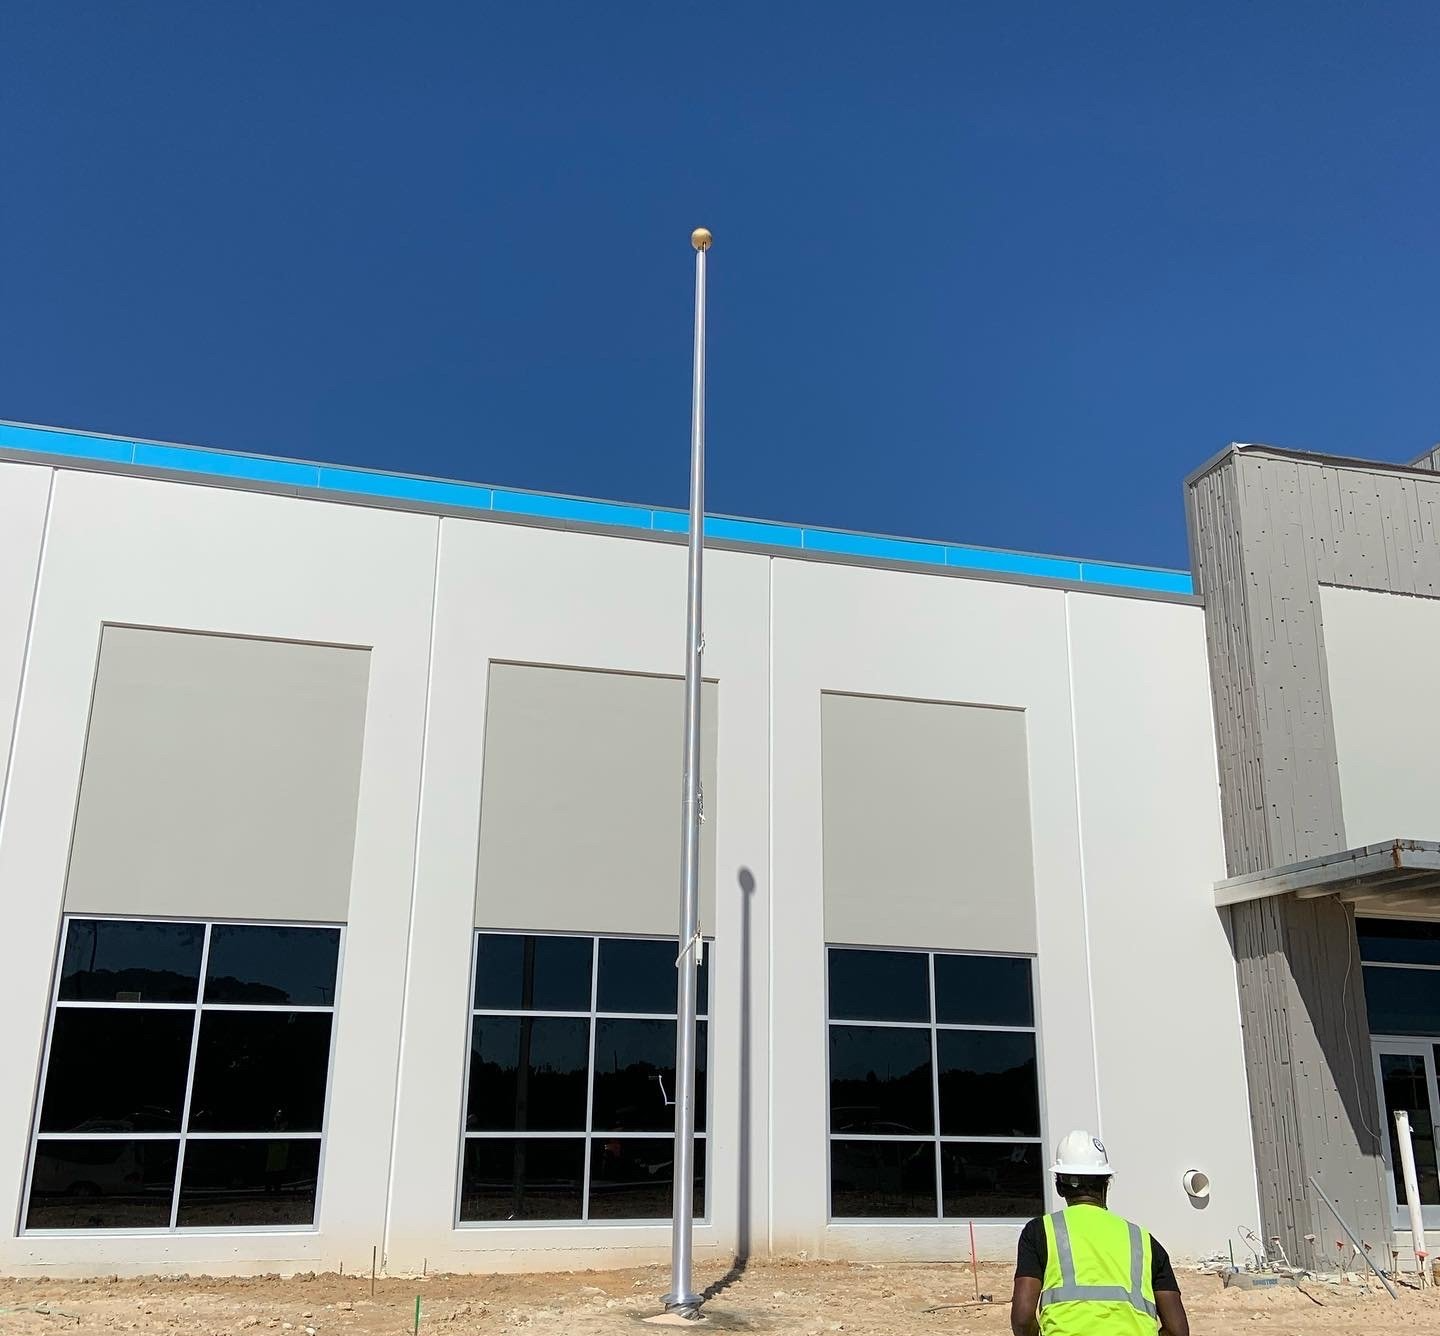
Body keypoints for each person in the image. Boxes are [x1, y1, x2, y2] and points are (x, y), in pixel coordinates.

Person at [1010, 1131, 1189, 1336]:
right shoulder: (1143, 1241)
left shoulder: (1040, 1231)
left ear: (1059, 1186)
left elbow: (1022, 1319)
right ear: (1106, 1184)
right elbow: (1177, 1331)